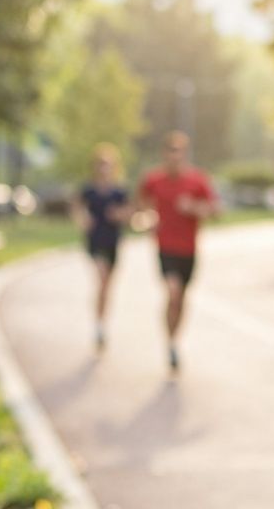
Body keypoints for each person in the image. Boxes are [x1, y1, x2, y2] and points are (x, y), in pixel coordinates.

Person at [136, 131, 219, 372]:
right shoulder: (153, 180)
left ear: (184, 155)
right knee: (172, 293)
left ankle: (174, 341)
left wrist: (193, 207)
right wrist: (147, 218)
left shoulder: (197, 180)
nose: (175, 157)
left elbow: (215, 210)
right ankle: (169, 344)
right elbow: (141, 204)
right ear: (165, 154)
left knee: (181, 299)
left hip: (189, 250)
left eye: (179, 152)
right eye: (170, 152)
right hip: (165, 246)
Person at [71, 143, 130, 352]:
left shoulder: (119, 191)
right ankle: (98, 325)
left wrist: (119, 215)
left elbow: (129, 214)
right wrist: (82, 218)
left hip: (113, 241)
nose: (105, 168)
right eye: (101, 164)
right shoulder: (89, 190)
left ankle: (101, 323)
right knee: (102, 277)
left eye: (108, 164)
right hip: (95, 241)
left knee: (107, 287)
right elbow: (76, 207)